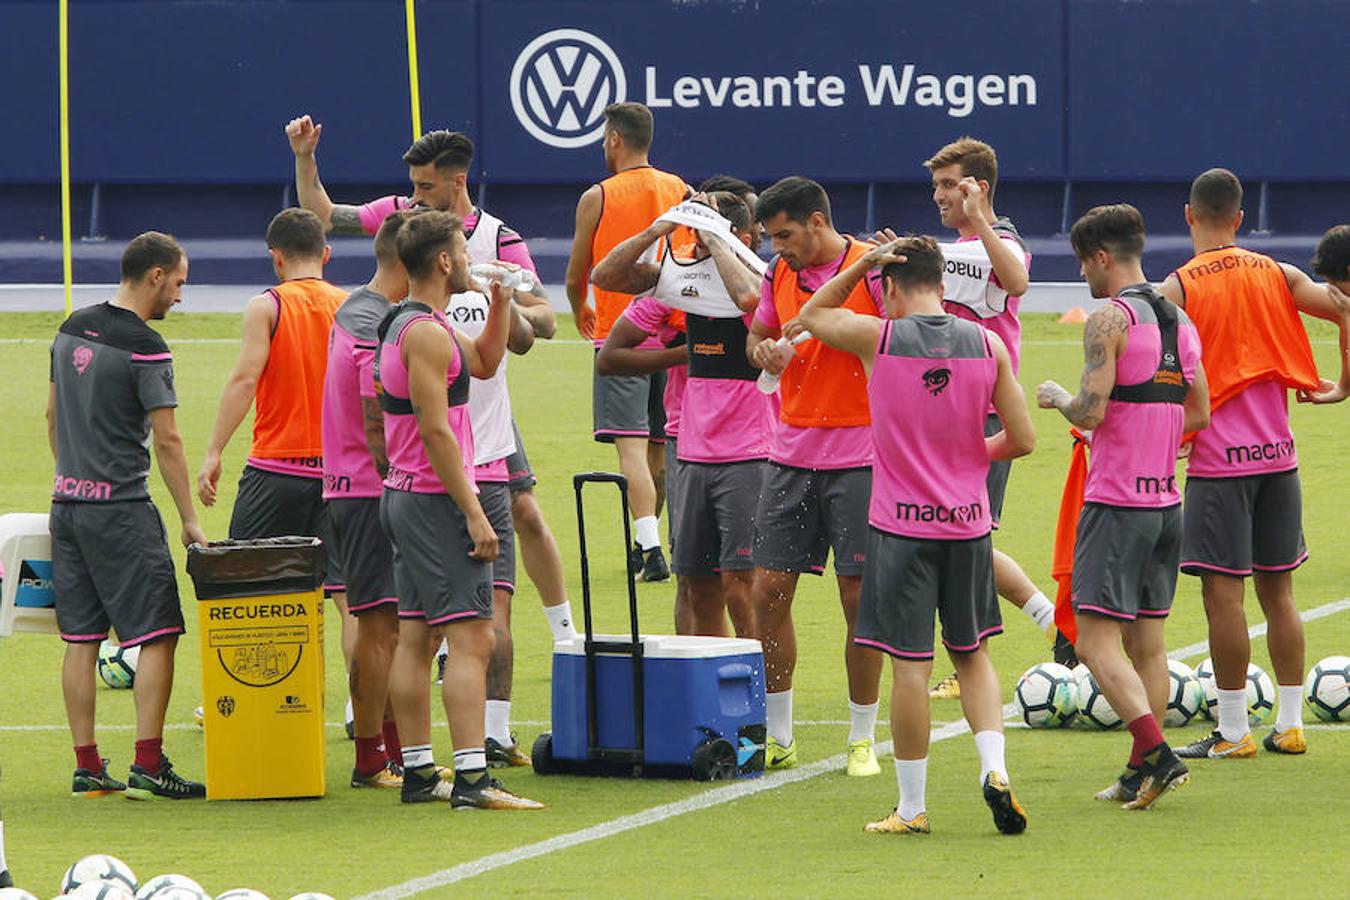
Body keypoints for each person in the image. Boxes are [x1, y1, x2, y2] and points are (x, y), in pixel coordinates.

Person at [285, 117, 579, 663]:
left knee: (526, 514)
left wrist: (503, 301)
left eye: (426, 187)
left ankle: (564, 632)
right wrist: (305, 158)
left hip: (485, 411)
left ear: (458, 181)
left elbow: (545, 321)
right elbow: (326, 217)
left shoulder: (498, 239)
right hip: (425, 411)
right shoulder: (404, 222)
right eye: (413, 186)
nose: (415, 198)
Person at [798, 234, 1034, 835]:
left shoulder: (880, 338)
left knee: (909, 667)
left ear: (893, 286)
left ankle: (911, 807)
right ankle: (994, 769)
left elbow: (811, 315)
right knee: (973, 656)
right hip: (968, 524)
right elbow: (1023, 439)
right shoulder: (987, 343)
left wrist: (860, 265)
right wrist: (970, 455)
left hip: (900, 527)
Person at [1155, 169, 1350, 759]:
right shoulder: (1279, 273)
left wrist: (1169, 434)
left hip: (1218, 464)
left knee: (1224, 598)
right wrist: (1342, 384)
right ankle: (1290, 725)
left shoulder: (1178, 288)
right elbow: (1345, 306)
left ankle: (1235, 731)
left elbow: (1151, 367)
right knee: (1280, 595)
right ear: (1240, 218)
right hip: (1279, 458)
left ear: (1189, 216)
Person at [1037, 204, 1208, 808]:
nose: (1083, 275)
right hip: (1167, 503)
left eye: (1084, 263)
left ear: (1101, 258)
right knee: (1150, 645)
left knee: (1093, 641)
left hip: (1116, 503)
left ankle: (1157, 754)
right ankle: (1140, 773)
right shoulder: (1180, 321)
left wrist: (1059, 397)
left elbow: (1089, 410)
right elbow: (1200, 414)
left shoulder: (1109, 318)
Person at [375, 211, 542, 810]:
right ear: (444, 262)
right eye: (465, 256)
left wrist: (498, 299)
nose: (471, 263)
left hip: (410, 497)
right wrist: (473, 511)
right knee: (473, 639)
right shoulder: (424, 332)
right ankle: (473, 780)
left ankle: (420, 773)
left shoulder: (421, 323)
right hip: (434, 499)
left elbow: (486, 363)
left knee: (417, 636)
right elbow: (436, 432)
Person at [48, 232, 207, 800]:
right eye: (181, 282)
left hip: (66, 506)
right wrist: (190, 519)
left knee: (83, 638)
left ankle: (87, 764)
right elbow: (168, 440)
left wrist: (73, 477)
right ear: (157, 276)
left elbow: (51, 416)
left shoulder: (70, 328)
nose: (182, 297)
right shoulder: (147, 346)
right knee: (160, 633)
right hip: (121, 510)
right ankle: (148, 762)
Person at [746, 176, 885, 777]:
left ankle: (861, 738)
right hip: (790, 452)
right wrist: (763, 352)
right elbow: (758, 332)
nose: (778, 247)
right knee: (767, 592)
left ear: (818, 223)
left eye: (785, 235)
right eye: (772, 238)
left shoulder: (873, 270)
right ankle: (779, 734)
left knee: (858, 599)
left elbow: (902, 340)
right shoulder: (777, 273)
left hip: (862, 453)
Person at [922, 137, 1061, 699]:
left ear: (977, 187)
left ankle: (974, 659)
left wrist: (979, 218)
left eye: (949, 185)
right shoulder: (951, 249)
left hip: (982, 418)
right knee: (957, 543)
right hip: (936, 414)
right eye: (935, 187)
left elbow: (1019, 280)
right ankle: (1055, 623)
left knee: (961, 543)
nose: (938, 196)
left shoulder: (1002, 242)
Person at [595, 192, 768, 636]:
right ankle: (705, 690)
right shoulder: (680, 280)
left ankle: (761, 696)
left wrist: (716, 238)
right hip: (688, 442)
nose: (699, 247)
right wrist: (661, 228)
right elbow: (605, 278)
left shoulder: (766, 281)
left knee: (741, 584)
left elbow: (749, 298)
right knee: (694, 583)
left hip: (753, 448)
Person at [565, 102, 691, 582]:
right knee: (659, 449)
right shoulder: (678, 188)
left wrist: (581, 308)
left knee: (632, 452)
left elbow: (579, 273)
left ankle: (651, 547)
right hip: (671, 327)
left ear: (615, 138)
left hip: (623, 331)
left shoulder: (597, 195)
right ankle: (648, 543)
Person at [322, 209, 425, 789]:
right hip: (368, 490)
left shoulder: (359, 308)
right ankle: (369, 758)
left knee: (384, 625)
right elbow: (374, 411)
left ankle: (386, 749)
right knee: (380, 627)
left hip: (354, 487)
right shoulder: (372, 319)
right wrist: (399, 480)